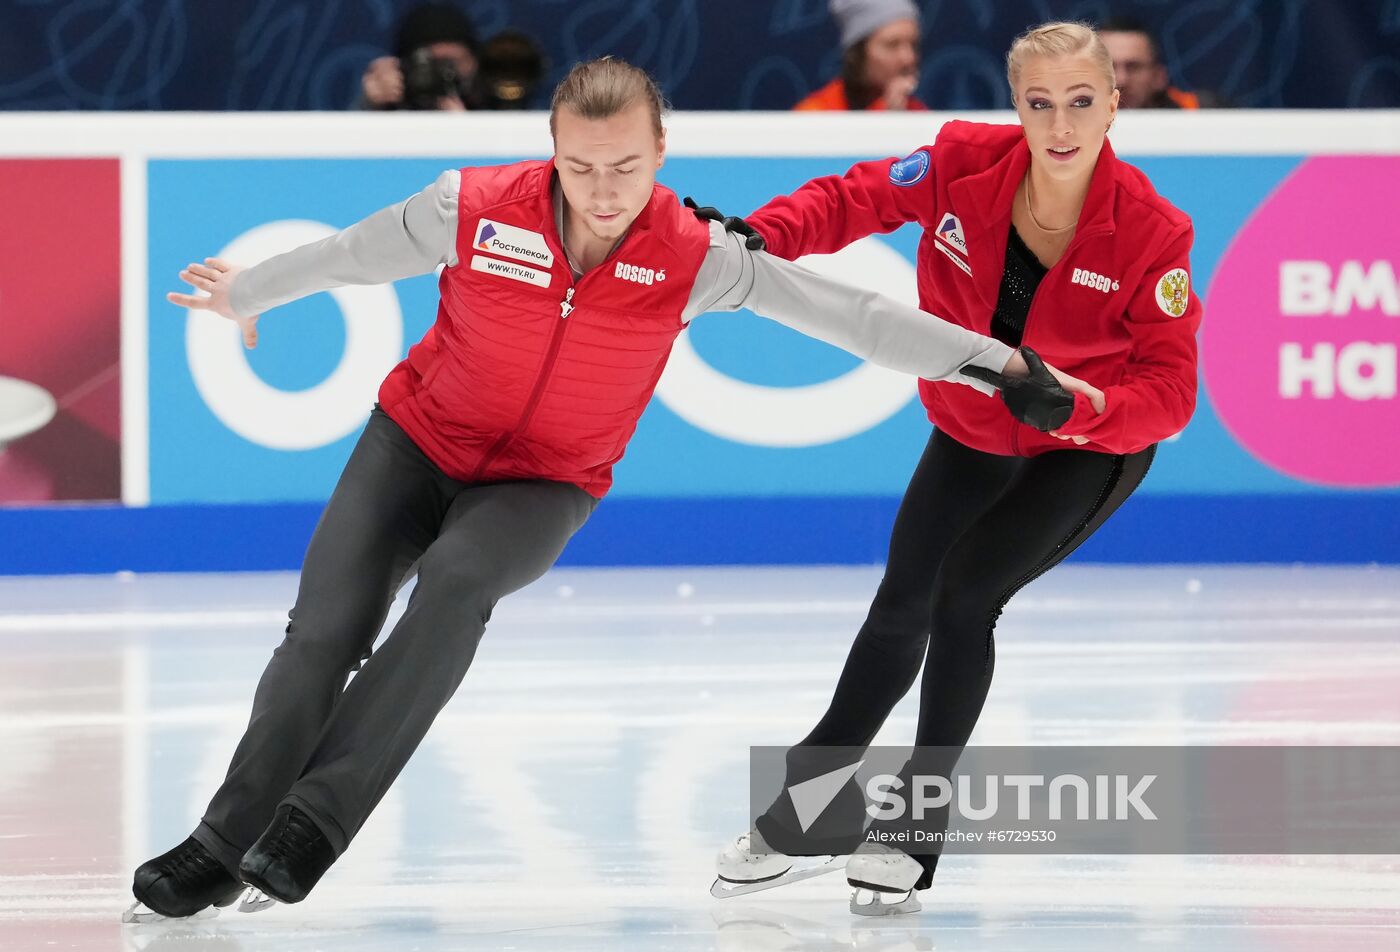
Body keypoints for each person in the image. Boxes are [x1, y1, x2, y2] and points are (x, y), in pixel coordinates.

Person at [125, 57, 1090, 923]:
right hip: (412, 447)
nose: (603, 189)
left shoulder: (694, 256)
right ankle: (218, 845)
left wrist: (1001, 366)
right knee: (322, 634)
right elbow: (348, 256)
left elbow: (858, 319)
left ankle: (311, 825)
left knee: (459, 582)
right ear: (551, 148)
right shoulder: (470, 206)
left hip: (543, 486)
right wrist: (244, 294)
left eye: (625, 167)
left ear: (661, 151)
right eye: (581, 166)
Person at [712, 20, 1202, 915]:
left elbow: (1171, 390)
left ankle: (914, 831)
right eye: (1040, 102)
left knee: (965, 596)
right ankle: (808, 812)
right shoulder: (958, 161)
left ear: (1114, 105)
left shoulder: (1154, 231)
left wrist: (1093, 408)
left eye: (1083, 102)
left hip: (1085, 450)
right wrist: (763, 235)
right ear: (1016, 104)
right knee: (900, 606)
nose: (1061, 124)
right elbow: (851, 199)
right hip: (971, 431)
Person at [795, 0, 926, 112]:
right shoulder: (815, 113)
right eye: (892, 45)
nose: (909, 58)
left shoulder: (918, 113)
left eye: (913, 45)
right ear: (858, 54)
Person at [358, 2, 482, 111]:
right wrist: (370, 106)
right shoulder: (387, 106)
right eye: (432, 63)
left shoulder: (493, 100)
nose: (444, 73)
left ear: (475, 62)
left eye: (453, 63)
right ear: (403, 66)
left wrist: (468, 130)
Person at [1098, 15, 1224, 109]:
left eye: (1134, 67)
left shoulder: (1200, 112)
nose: (1121, 80)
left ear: (1159, 76)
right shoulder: (1077, 120)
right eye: (1108, 67)